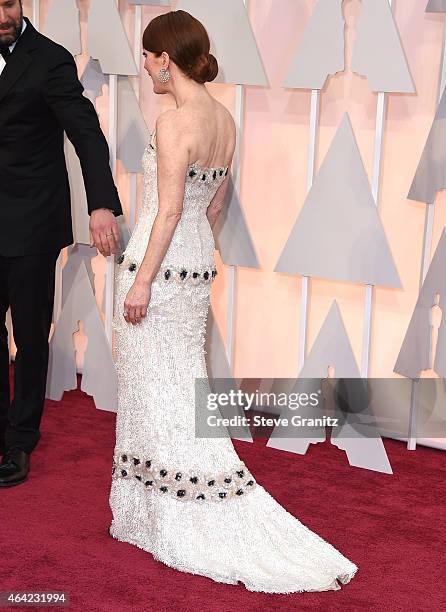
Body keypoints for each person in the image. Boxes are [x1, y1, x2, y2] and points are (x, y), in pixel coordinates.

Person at [109, 9, 357, 593]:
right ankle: (162, 507)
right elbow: (212, 208)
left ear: (165, 58)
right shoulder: (224, 119)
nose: (145, 68)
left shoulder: (174, 124)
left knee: (154, 389)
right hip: (195, 270)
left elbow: (168, 211)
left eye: (147, 58)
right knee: (176, 386)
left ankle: (170, 512)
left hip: (162, 269)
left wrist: (142, 279)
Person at [0, 0, 123, 487]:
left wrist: (101, 204)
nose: (0, 15)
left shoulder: (49, 59)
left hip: (31, 220)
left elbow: (86, 133)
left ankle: (20, 439)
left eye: (7, 3)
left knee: (30, 336)